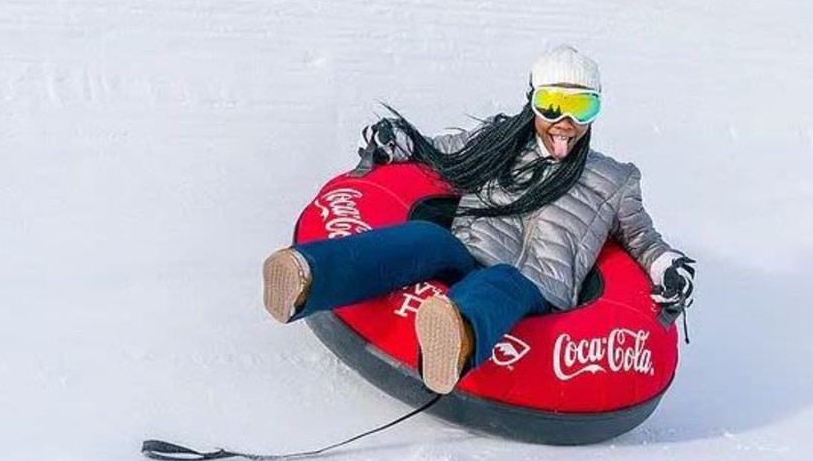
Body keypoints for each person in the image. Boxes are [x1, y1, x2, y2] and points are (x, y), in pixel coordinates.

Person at [262, 45, 695, 394]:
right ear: (532, 102)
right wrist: (397, 141)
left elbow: (644, 240)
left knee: (502, 281)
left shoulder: (615, 179)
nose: (564, 122)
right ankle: (309, 277)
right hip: (469, 251)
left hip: (536, 287)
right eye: (552, 104)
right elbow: (436, 150)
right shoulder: (499, 142)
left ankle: (455, 339)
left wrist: (667, 266)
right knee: (427, 239)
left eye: (580, 107)